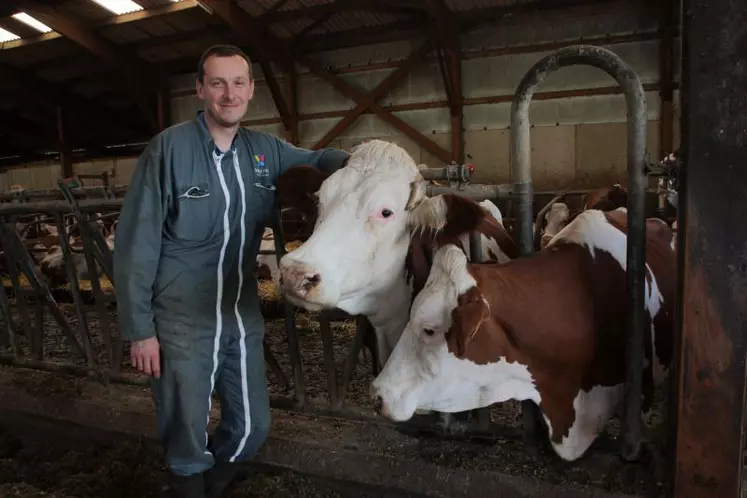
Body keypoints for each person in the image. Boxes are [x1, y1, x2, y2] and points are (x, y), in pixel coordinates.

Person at [113, 44, 349, 498]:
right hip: (180, 318)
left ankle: (210, 484)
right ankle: (191, 486)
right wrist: (140, 329)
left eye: (238, 83)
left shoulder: (264, 151)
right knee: (186, 430)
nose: (229, 94)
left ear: (251, 90)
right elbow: (135, 243)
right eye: (218, 83)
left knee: (252, 428)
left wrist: (368, 162)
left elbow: (318, 160)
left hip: (239, 314)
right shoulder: (168, 150)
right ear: (200, 89)